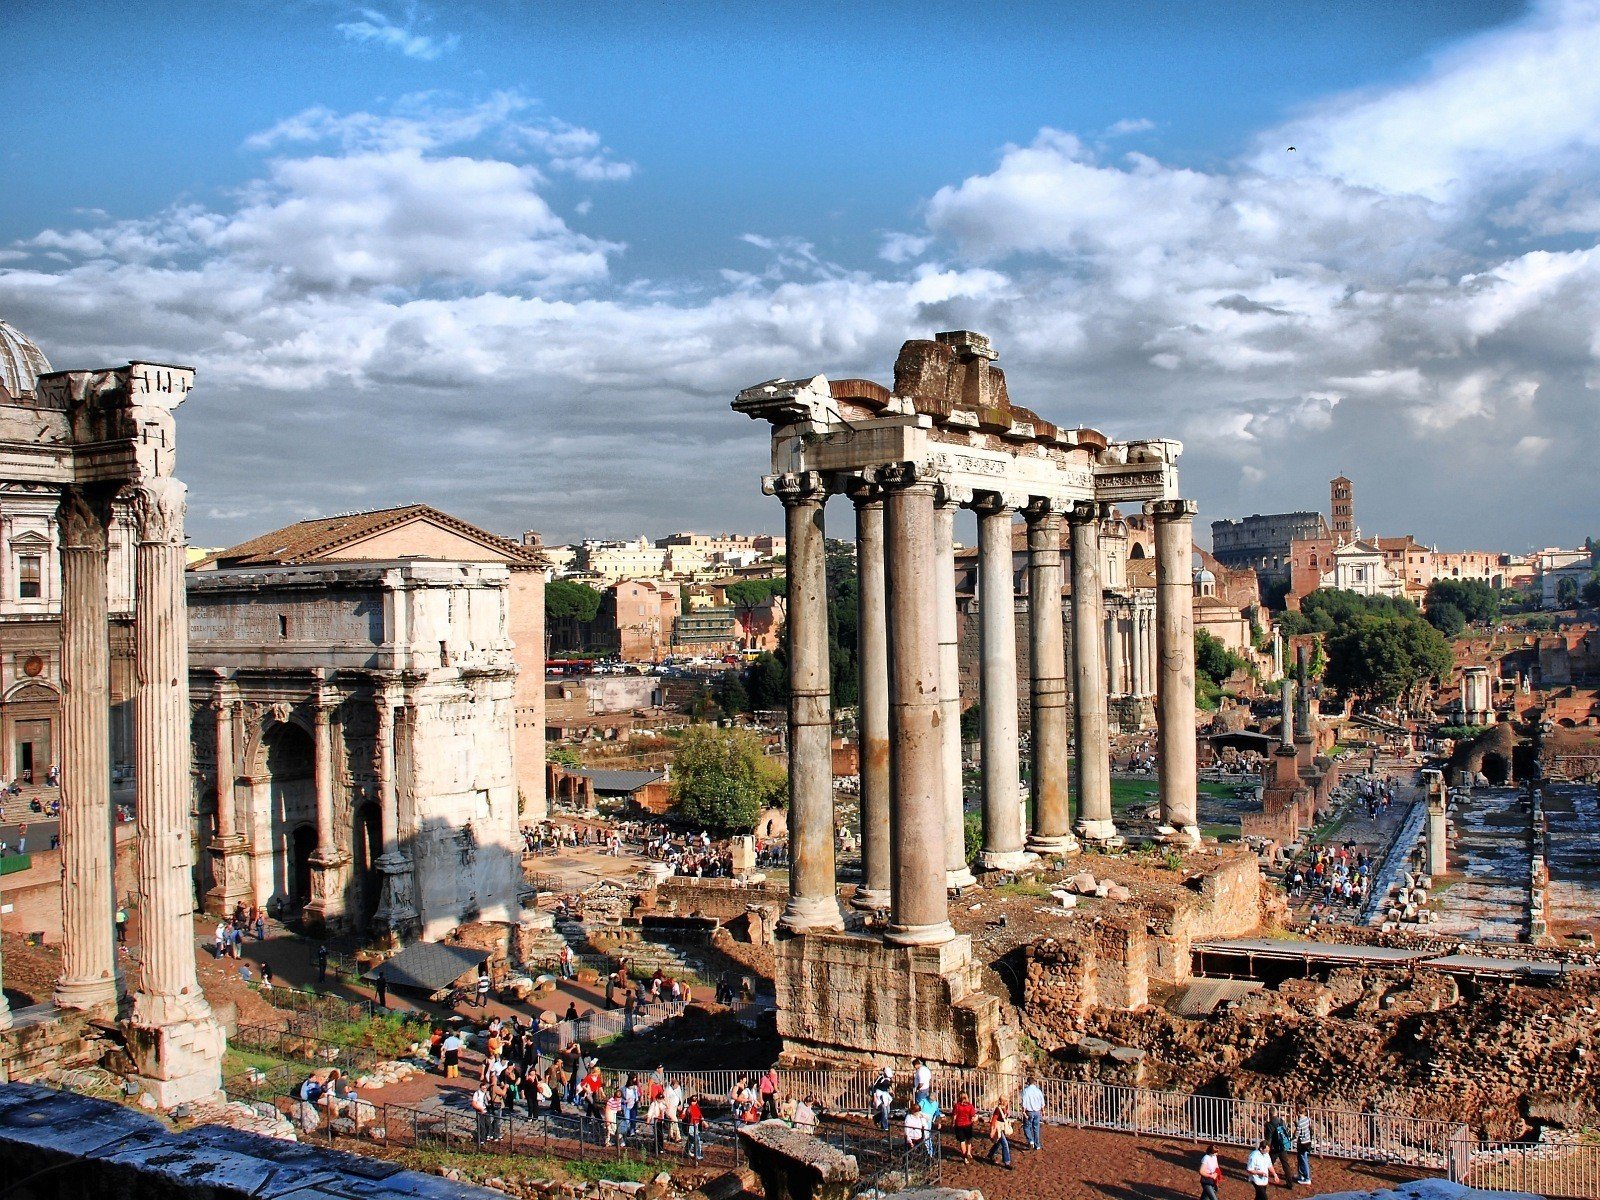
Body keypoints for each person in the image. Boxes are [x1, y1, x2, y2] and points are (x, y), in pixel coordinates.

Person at [1268, 1113, 1296, 1184]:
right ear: (1276, 1113)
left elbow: (1269, 1138)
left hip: (1274, 1148)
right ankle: (1290, 1183)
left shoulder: (1269, 1124)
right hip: (1283, 1146)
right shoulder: (1281, 1121)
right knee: (1285, 1165)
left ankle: (1263, 1179)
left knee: (1268, 1163)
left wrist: (1267, 1147)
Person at [985, 1101, 1013, 1170]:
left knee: (999, 1142)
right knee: (1005, 1144)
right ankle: (1007, 1162)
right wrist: (992, 1131)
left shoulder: (1005, 1108)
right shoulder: (998, 1109)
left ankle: (991, 1153)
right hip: (998, 1129)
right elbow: (993, 1120)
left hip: (1002, 1127)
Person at [1020, 1075, 1045, 1151]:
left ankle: (1030, 1140)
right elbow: (1042, 1101)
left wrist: (1023, 1111)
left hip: (1029, 1112)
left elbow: (1024, 1102)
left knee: (1026, 1127)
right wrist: (1043, 1110)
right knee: (1036, 1128)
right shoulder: (1038, 1090)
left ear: (1028, 1083)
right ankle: (1037, 1145)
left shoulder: (1025, 1091)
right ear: (1034, 1082)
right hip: (1037, 1112)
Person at [951, 1092, 977, 1163]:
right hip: (968, 1125)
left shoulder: (957, 1106)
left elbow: (954, 1116)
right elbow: (973, 1116)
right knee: (969, 1140)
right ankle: (968, 1152)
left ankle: (965, 1157)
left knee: (962, 1141)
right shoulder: (970, 1106)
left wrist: (952, 1123)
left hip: (959, 1125)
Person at [471, 1081, 494, 1147]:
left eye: (485, 1088)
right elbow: (473, 1103)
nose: (484, 1089)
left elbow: (490, 1100)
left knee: (488, 1124)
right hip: (480, 1111)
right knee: (481, 1126)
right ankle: (482, 1139)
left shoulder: (487, 1093)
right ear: (480, 1088)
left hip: (486, 1110)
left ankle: (487, 1136)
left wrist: (488, 1096)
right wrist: (480, 1109)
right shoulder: (477, 1093)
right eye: (483, 1088)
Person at [1295, 1113, 1313, 1185]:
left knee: (1303, 1159)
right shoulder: (1307, 1119)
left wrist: (1293, 1137)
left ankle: (1307, 1178)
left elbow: (1297, 1133)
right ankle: (1301, 1175)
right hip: (1307, 1141)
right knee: (1301, 1158)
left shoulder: (1300, 1122)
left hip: (1303, 1143)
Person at [686, 1094, 705, 1160]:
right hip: (691, 1125)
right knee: (696, 1140)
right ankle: (698, 1155)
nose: (694, 1102)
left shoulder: (697, 1107)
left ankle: (687, 1151)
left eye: (695, 1101)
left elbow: (700, 1115)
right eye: (692, 1101)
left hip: (696, 1125)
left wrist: (703, 1121)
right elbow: (685, 1117)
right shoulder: (689, 1108)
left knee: (692, 1140)